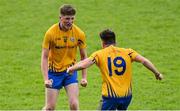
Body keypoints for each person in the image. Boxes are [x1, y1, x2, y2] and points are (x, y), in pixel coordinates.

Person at [67, 29, 163, 110]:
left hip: (110, 97)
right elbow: (144, 61)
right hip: (127, 96)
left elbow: (84, 64)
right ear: (115, 42)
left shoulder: (99, 54)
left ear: (102, 43)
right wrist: (157, 73)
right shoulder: (128, 52)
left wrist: (71, 69)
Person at [41, 4, 87, 110]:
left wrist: (84, 77)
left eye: (72, 18)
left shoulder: (79, 33)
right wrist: (46, 79)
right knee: (49, 108)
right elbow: (44, 57)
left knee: (74, 104)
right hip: (53, 73)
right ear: (60, 18)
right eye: (67, 18)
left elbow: (84, 57)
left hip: (70, 72)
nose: (70, 21)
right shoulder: (50, 33)